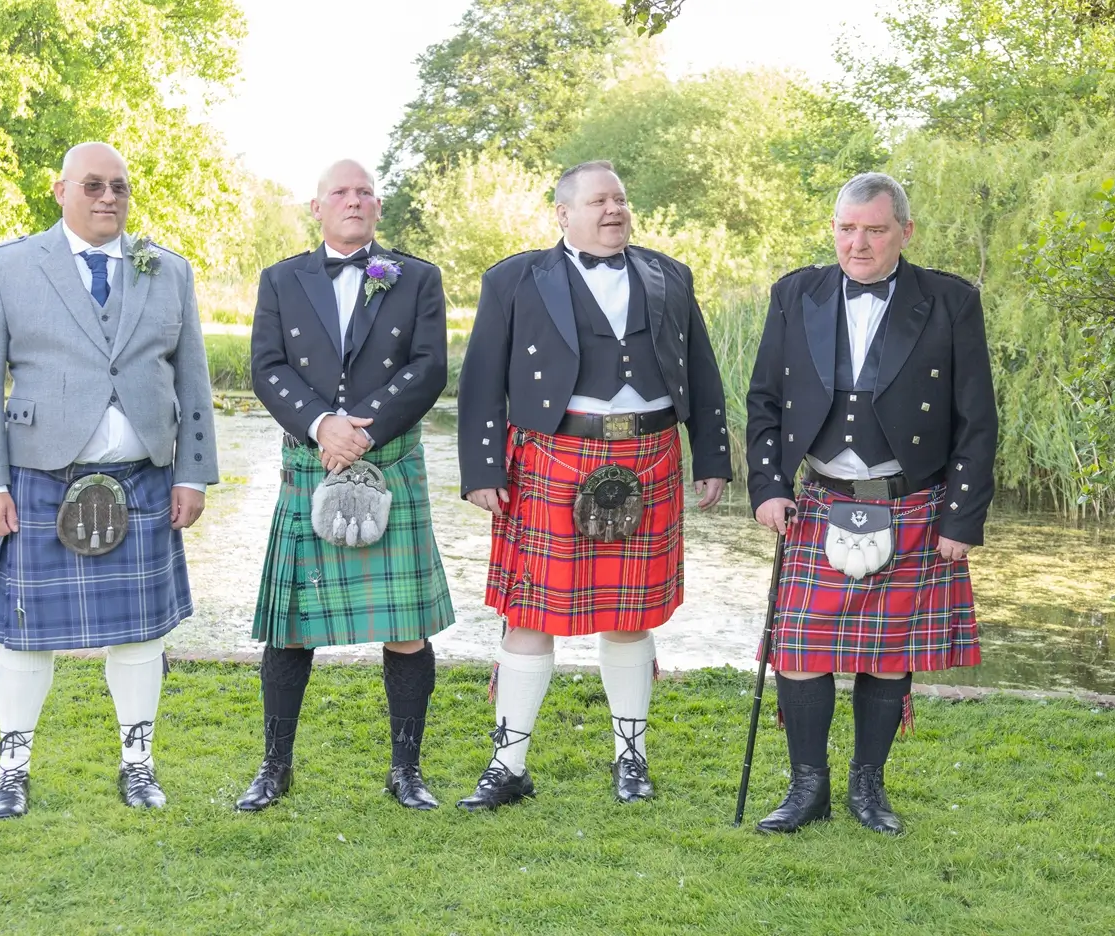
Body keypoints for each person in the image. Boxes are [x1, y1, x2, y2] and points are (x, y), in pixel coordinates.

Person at [455, 160, 731, 810]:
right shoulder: (514, 278)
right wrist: (483, 469)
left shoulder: (669, 274)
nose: (614, 211)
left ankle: (630, 761)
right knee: (528, 615)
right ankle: (507, 766)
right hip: (552, 454)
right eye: (599, 202)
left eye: (621, 201)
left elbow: (704, 369)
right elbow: (480, 379)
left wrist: (713, 455)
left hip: (650, 452)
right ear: (564, 213)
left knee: (631, 617)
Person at [0, 142, 216, 818]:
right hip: (41, 476)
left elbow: (193, 381)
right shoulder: (7, 266)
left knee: (140, 636)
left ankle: (138, 762)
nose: (108, 198)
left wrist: (193, 472)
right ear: (61, 189)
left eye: (120, 188)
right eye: (94, 185)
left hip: (144, 479)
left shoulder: (168, 270)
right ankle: (12, 767)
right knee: (24, 634)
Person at [745, 172, 996, 836]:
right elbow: (765, 401)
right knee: (798, 650)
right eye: (846, 228)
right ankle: (807, 789)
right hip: (819, 499)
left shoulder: (948, 301)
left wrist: (961, 516)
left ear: (904, 233)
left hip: (910, 500)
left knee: (887, 654)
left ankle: (868, 788)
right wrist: (769, 485)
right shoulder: (795, 293)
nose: (858, 243)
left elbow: (977, 419)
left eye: (875, 230)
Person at [233, 159, 453, 812]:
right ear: (316, 207)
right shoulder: (281, 279)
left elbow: (429, 366)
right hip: (312, 457)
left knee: (406, 626)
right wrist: (321, 425)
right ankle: (275, 767)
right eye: (340, 192)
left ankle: (406, 771)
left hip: (388, 460)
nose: (353, 200)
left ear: (377, 208)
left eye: (364, 192)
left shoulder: (417, 277)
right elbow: (266, 366)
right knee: (291, 627)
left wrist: (364, 430)